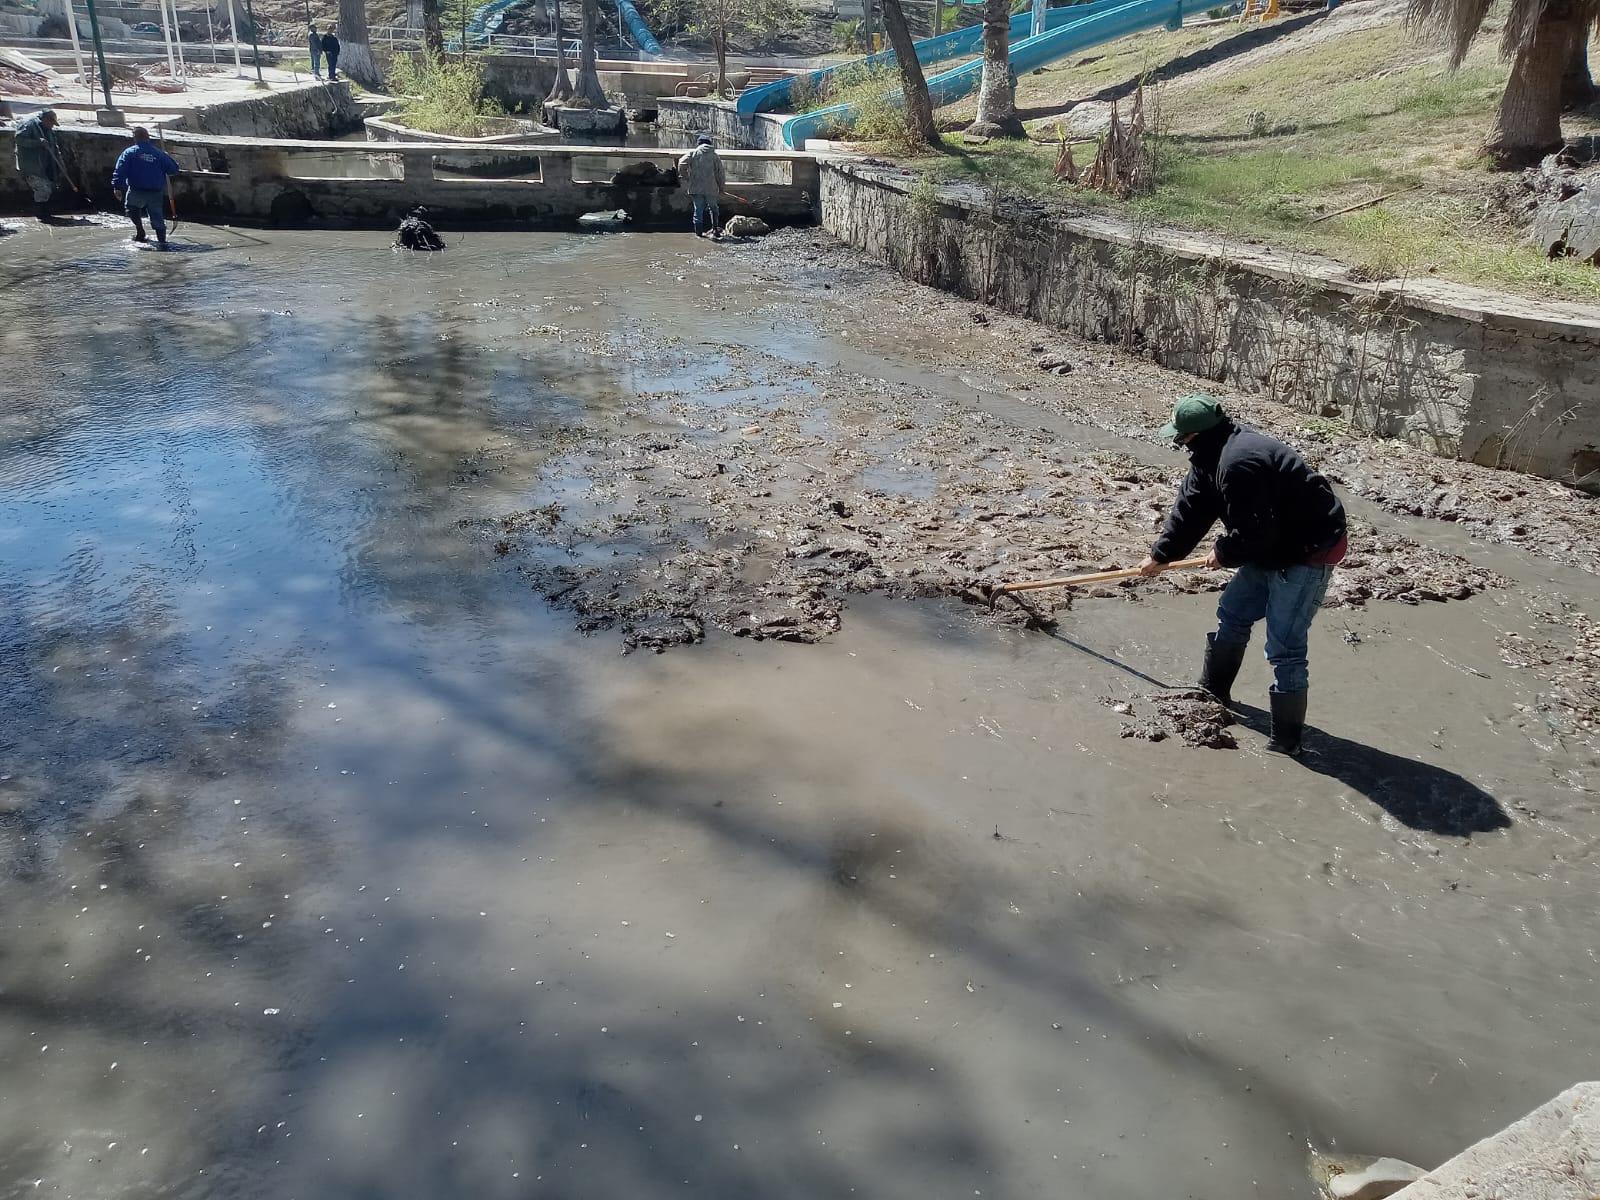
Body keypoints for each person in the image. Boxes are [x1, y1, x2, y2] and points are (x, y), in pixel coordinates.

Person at [1138, 395, 1347, 756]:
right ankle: (1213, 691)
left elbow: (1255, 533)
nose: (1177, 443)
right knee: (1233, 612)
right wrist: (1161, 555)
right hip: (1272, 542)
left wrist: (1223, 553)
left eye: (1180, 437)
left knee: (1284, 646)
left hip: (1309, 550)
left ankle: (1286, 743)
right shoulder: (1209, 456)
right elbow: (1191, 509)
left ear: (1197, 435)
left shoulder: (1239, 463)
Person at [111, 127, 181, 248]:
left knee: (131, 209)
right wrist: (167, 157)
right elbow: (174, 170)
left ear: (135, 138)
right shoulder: (159, 154)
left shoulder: (129, 153)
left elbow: (120, 170)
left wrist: (117, 186)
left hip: (136, 190)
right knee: (157, 216)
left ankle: (140, 231)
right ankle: (162, 241)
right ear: (148, 137)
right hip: (155, 192)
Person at [14, 108, 63, 223]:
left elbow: (54, 146)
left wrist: (60, 163)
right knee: (42, 189)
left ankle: (45, 212)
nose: (52, 126)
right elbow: (19, 139)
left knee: (48, 187)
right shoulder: (29, 125)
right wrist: (37, 143)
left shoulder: (48, 129)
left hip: (44, 164)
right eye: (51, 123)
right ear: (45, 119)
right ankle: (41, 214)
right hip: (31, 164)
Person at [677, 134, 725, 240]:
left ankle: (699, 234)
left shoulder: (693, 153)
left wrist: (686, 177)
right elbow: (720, 173)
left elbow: (681, 163)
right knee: (714, 208)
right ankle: (715, 229)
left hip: (696, 187)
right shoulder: (714, 156)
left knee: (698, 209)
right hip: (711, 188)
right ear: (710, 144)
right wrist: (721, 188)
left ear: (699, 144)